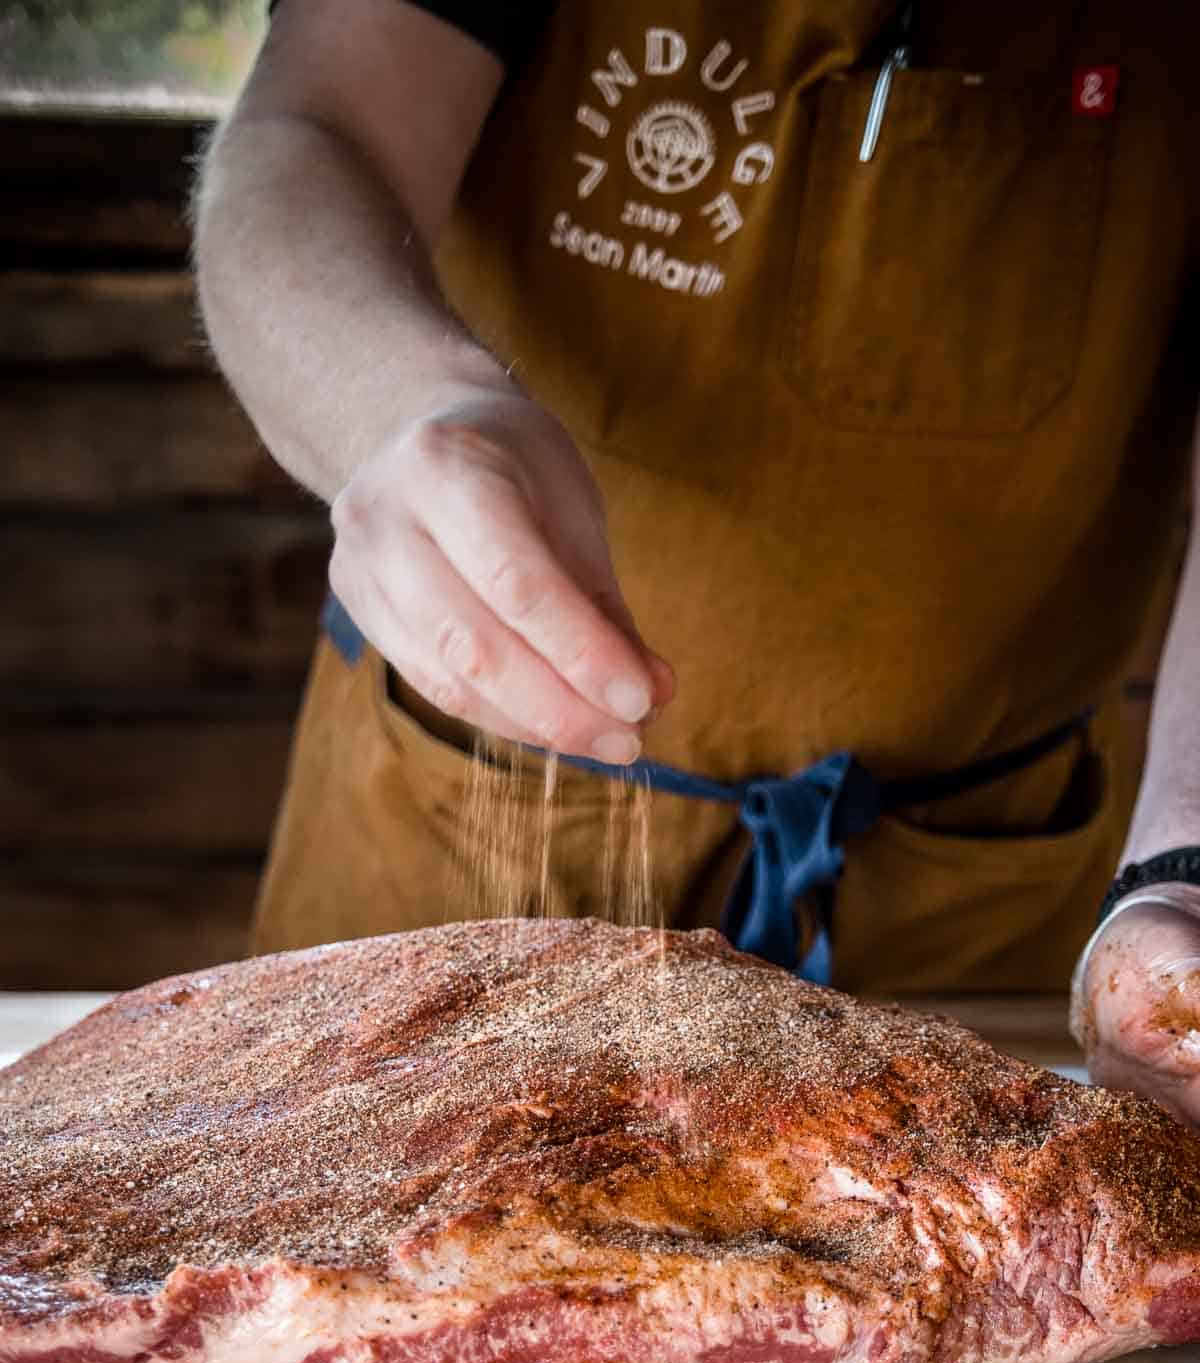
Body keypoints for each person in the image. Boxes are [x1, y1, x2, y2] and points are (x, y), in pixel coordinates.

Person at [194, 2, 1200, 1117]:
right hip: (452, 853)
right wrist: (395, 406)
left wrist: (1182, 866)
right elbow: (315, 130)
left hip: (976, 895)